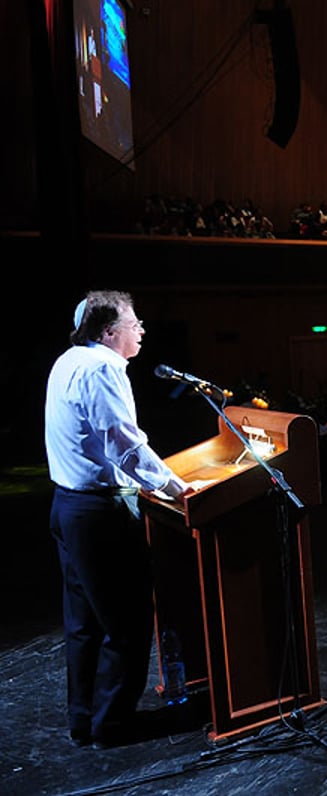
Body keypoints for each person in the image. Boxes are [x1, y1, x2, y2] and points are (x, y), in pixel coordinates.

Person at [45, 291, 196, 749]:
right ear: (110, 332)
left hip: (68, 506)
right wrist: (174, 487)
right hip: (99, 515)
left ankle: (84, 720)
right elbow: (122, 443)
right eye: (134, 323)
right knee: (127, 624)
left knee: (85, 624)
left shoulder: (67, 360)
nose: (142, 330)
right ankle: (112, 725)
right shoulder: (103, 368)